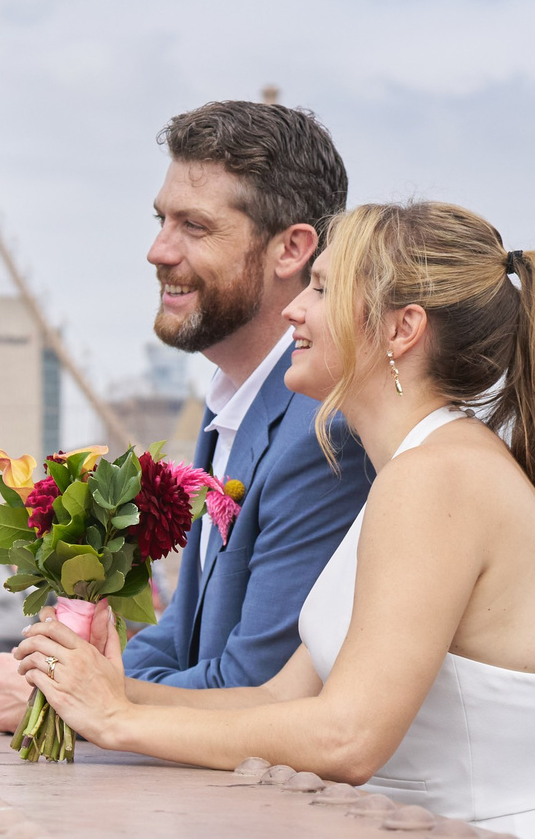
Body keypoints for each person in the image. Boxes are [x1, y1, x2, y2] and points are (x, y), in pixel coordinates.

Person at [0, 201, 535, 839]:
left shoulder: (437, 479)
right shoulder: (414, 470)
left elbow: (348, 736)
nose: (294, 310)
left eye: (323, 288)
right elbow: (283, 701)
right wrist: (102, 691)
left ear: (401, 329)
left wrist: (117, 722)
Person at [115, 101, 373, 688]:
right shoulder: (232, 394)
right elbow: (184, 634)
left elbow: (250, 684)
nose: (159, 250)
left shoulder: (327, 432)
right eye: (161, 220)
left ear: (291, 249)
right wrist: (59, 676)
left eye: (194, 227)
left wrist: (82, 703)